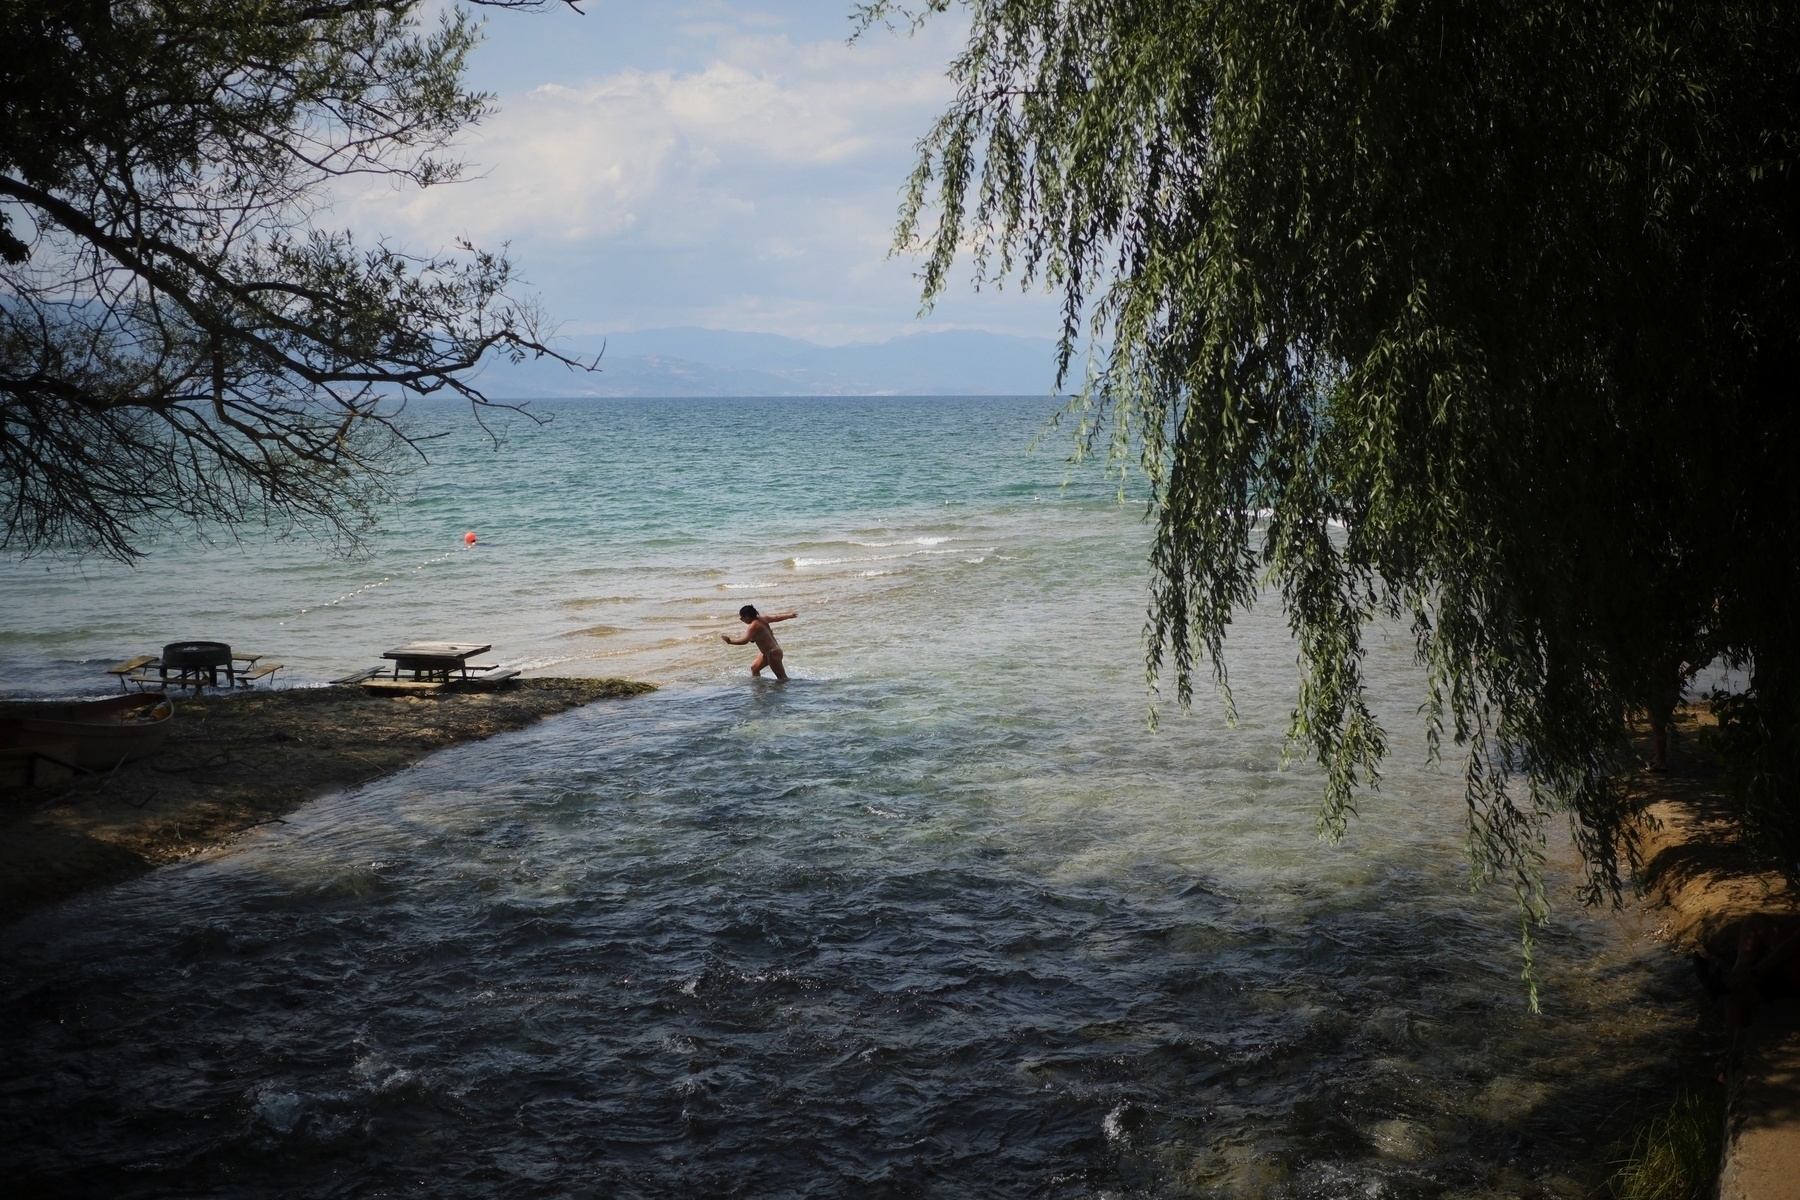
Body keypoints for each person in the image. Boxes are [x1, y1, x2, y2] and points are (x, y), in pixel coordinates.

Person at [721, 604, 797, 680]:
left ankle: (793, 691)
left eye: (742, 617)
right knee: (754, 668)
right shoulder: (763, 618)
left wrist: (730, 641)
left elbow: (745, 640)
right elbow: (777, 618)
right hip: (769, 652)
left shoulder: (753, 626)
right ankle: (759, 690)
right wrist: (789, 615)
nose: (741, 619)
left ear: (747, 616)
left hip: (772, 653)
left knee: (782, 678)